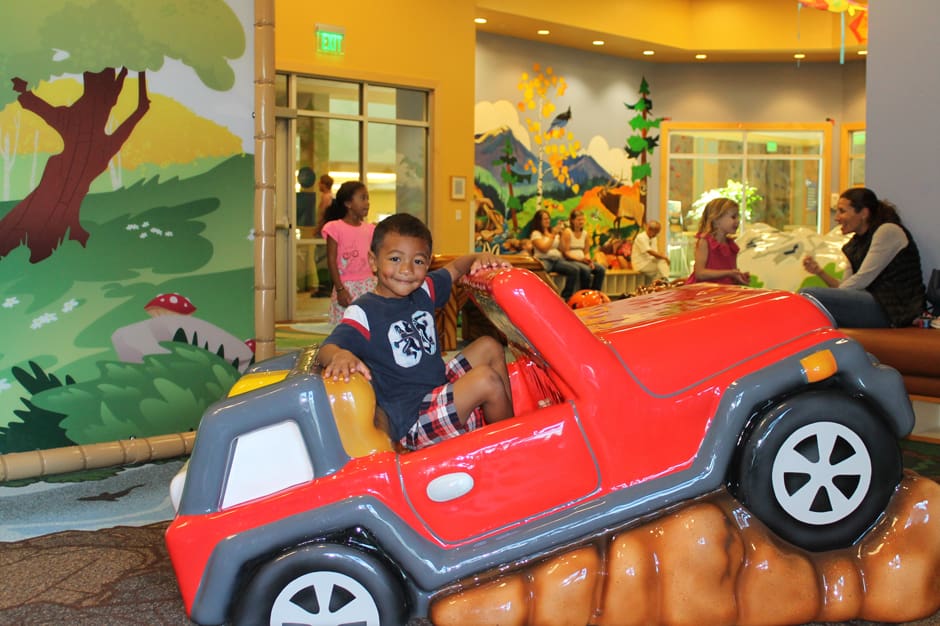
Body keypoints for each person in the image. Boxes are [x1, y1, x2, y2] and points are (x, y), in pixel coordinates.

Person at [316, 214, 514, 451]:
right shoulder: (363, 311)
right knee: (486, 380)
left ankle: (508, 420)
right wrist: (340, 356)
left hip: (436, 388)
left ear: (428, 263)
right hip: (412, 417)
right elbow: (326, 349)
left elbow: (455, 268)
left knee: (489, 346)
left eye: (418, 261)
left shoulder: (424, 290)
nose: (407, 270)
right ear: (373, 261)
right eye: (395, 258)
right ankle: (509, 445)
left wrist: (477, 257)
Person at [800, 187, 926, 328]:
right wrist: (819, 272)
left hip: (896, 312)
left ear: (864, 213)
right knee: (810, 298)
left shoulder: (888, 231)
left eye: (842, 211)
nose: (836, 218)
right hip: (876, 304)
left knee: (809, 294)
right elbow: (846, 286)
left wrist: (832, 298)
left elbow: (862, 279)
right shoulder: (853, 245)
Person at [320, 181, 378, 324]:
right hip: (346, 288)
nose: (367, 203)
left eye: (368, 198)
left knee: (369, 325)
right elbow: (331, 261)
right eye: (362, 198)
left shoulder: (371, 229)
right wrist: (340, 289)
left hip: (369, 286)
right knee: (346, 327)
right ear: (348, 203)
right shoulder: (334, 228)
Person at [686, 197, 750, 286]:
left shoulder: (731, 245)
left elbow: (730, 272)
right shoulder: (705, 242)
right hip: (704, 291)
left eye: (738, 217)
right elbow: (700, 273)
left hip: (723, 290)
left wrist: (738, 277)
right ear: (716, 219)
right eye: (733, 217)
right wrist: (729, 273)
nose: (737, 221)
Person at [527, 209, 583, 300]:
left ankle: (566, 297)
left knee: (574, 270)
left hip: (557, 260)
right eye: (544, 219)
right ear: (539, 221)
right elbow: (544, 249)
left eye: (548, 218)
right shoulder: (536, 233)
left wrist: (561, 236)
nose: (547, 221)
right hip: (543, 260)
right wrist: (553, 235)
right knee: (542, 272)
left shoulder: (552, 232)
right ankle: (543, 297)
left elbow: (562, 249)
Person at [561, 209, 605, 291]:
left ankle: (595, 292)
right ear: (572, 221)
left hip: (583, 260)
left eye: (582, 219)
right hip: (571, 260)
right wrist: (581, 260)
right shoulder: (567, 232)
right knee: (586, 270)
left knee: (600, 269)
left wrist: (589, 260)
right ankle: (584, 292)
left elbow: (586, 252)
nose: (581, 222)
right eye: (578, 220)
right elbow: (566, 253)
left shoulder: (585, 234)